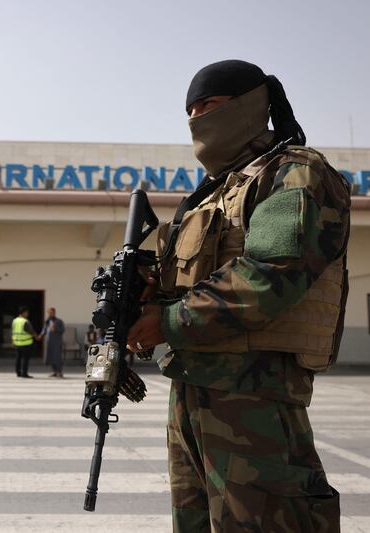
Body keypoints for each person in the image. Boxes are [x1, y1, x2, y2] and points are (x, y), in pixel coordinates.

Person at [126, 60, 349, 532]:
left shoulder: (295, 174)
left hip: (254, 397)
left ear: (250, 106)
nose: (196, 118)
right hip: (191, 391)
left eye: (209, 105)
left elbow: (270, 275)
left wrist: (164, 324)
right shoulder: (211, 194)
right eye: (190, 110)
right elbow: (187, 284)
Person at [11, 306, 39, 378]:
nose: (28, 314)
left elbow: (12, 331)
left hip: (17, 343)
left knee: (18, 359)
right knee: (25, 359)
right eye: (27, 313)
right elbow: (31, 331)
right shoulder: (25, 321)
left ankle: (18, 372)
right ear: (23, 313)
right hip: (26, 343)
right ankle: (24, 374)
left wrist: (13, 341)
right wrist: (37, 337)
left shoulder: (14, 321)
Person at [40, 307, 65, 378]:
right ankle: (54, 371)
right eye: (49, 313)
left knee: (57, 357)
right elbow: (44, 330)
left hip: (57, 342)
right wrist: (40, 335)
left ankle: (59, 372)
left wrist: (56, 329)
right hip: (49, 342)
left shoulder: (59, 321)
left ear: (54, 313)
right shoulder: (47, 321)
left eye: (52, 313)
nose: (50, 314)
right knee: (50, 357)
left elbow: (62, 330)